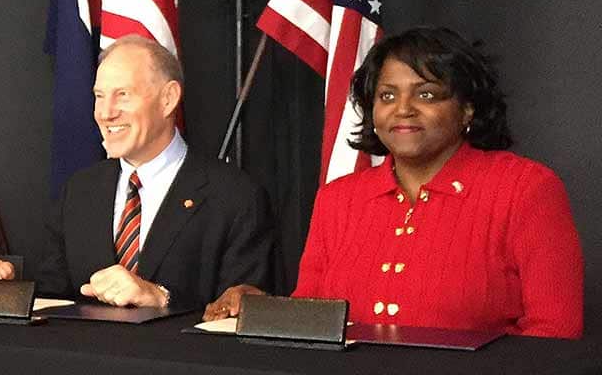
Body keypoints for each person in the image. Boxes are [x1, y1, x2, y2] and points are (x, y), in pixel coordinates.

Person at [204, 26, 584, 339]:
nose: (403, 108)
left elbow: (555, 332)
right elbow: (314, 321)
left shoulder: (526, 189)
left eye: (427, 94)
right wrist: (256, 307)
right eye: (387, 95)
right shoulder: (338, 199)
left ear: (468, 108)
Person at [0, 35, 274, 311]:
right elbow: (55, 301)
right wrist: (3, 292)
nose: (105, 112)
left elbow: (243, 315)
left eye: (122, 95)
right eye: (100, 96)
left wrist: (160, 297)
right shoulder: (80, 190)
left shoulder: (235, 196)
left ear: (168, 99)